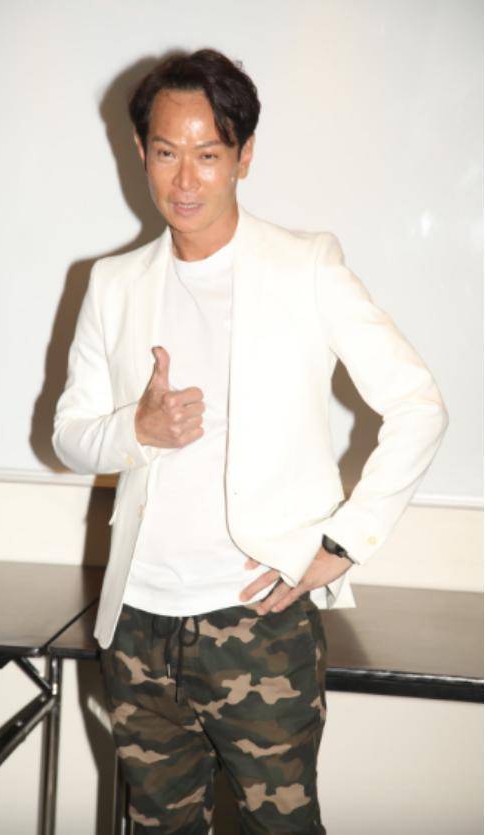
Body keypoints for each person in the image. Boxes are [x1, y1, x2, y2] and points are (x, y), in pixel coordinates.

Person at [52, 48, 449, 834]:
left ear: (244, 156)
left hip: (257, 623)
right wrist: (136, 428)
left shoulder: (305, 266)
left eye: (208, 154)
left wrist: (341, 543)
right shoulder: (114, 283)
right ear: (140, 153)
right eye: (167, 152)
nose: (186, 178)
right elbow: (69, 435)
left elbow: (419, 405)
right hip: (137, 622)